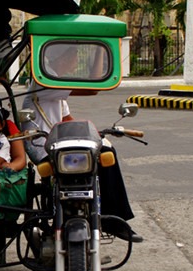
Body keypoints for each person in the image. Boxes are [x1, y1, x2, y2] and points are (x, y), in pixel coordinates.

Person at [20, 49, 142, 242]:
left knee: (104, 150)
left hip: (57, 144)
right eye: (75, 56)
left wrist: (94, 136)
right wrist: (101, 50)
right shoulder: (46, 81)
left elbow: (68, 119)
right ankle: (109, 219)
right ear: (64, 57)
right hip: (42, 146)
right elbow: (92, 88)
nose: (77, 62)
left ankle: (113, 218)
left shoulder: (54, 83)